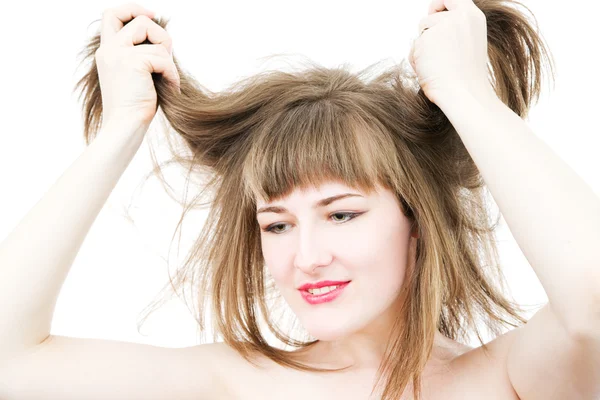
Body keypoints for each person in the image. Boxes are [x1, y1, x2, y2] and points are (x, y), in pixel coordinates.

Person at [1, 0, 599, 399]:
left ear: (417, 220)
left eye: (341, 214)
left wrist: (468, 98)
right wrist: (122, 127)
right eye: (278, 225)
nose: (306, 257)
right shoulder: (228, 384)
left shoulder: (511, 380)